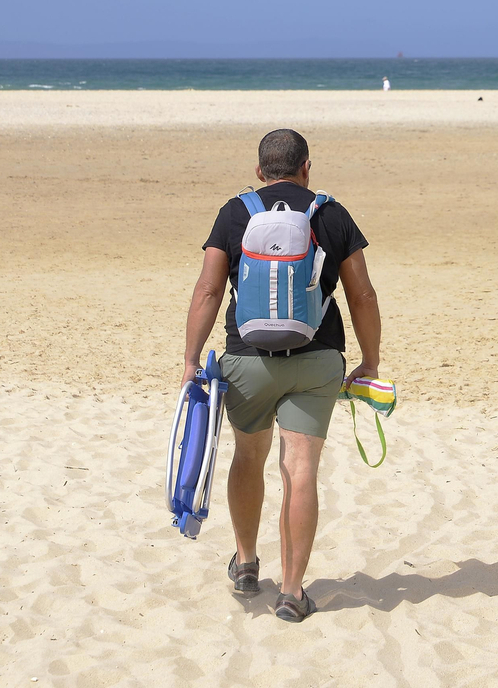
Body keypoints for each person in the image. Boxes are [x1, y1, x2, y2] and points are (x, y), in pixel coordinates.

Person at [182, 128, 382, 624]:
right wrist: (370, 362)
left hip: (246, 359)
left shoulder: (235, 212)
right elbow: (363, 296)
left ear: (259, 172)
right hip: (317, 359)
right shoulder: (330, 213)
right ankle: (292, 593)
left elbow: (208, 291)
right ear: (306, 168)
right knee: (301, 467)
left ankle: (247, 563)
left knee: (248, 458)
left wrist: (190, 359)